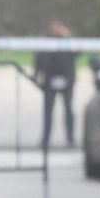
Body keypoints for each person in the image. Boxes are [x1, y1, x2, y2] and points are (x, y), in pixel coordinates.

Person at [34, 20, 79, 150]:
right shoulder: (46, 41)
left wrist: (69, 37)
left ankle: (70, 139)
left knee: (69, 110)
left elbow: (78, 52)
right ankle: (45, 139)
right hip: (50, 79)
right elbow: (39, 58)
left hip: (67, 79)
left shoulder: (68, 41)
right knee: (48, 111)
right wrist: (37, 75)